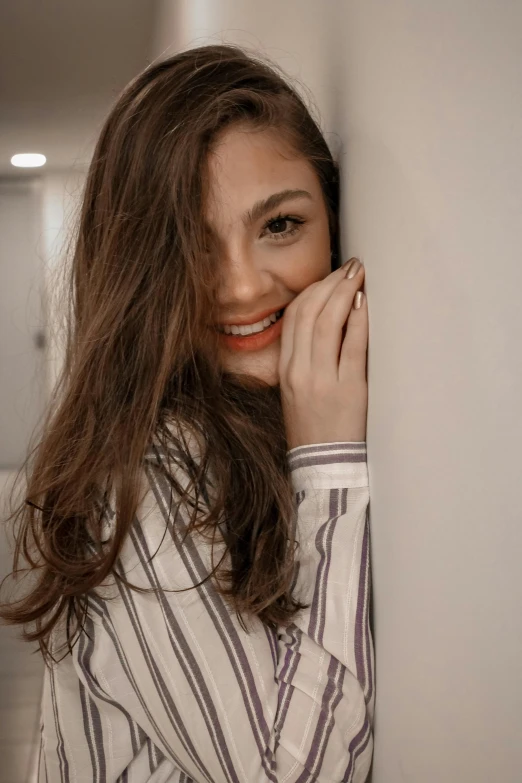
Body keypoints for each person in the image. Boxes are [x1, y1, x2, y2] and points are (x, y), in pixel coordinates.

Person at [0, 44, 373, 782]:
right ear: (141, 273)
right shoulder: (136, 481)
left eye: (279, 225)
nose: (239, 287)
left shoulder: (258, 419)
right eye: (191, 246)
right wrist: (329, 464)